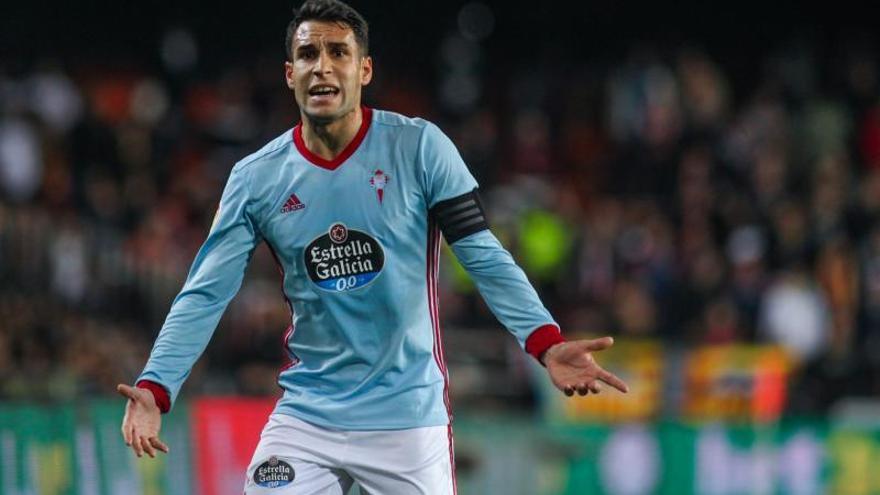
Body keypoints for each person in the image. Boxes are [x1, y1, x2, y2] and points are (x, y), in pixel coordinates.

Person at [116, 0, 629, 493]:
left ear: (364, 70)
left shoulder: (421, 148)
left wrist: (544, 341)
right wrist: (156, 387)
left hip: (407, 416)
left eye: (338, 53)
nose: (322, 67)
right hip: (308, 415)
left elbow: (482, 254)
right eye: (308, 54)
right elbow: (205, 293)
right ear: (289, 73)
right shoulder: (255, 179)